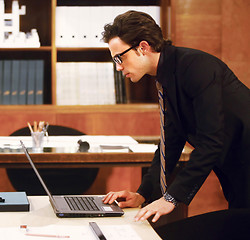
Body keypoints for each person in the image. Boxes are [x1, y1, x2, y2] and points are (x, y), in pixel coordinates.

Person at [101, 10, 250, 225]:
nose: (118, 67)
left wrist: (172, 198)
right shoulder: (166, 76)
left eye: (119, 57)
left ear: (142, 47)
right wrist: (143, 193)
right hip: (236, 167)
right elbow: (171, 142)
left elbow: (211, 141)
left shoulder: (196, 68)